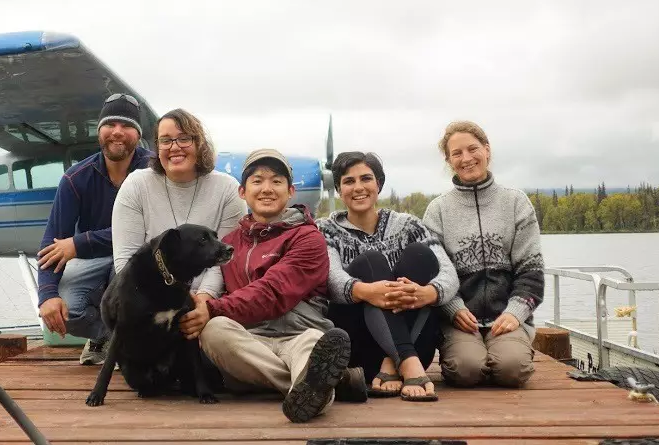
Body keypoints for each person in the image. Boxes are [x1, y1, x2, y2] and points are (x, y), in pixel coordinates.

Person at [182, 149, 362, 423]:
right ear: (242, 192)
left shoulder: (308, 238)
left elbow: (273, 291)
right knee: (214, 330)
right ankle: (321, 384)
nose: (267, 188)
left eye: (276, 181)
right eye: (257, 181)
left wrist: (213, 307)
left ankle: (309, 388)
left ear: (290, 191)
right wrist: (197, 306)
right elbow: (210, 283)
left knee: (314, 343)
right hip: (249, 341)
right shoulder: (229, 243)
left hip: (299, 334)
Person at [317, 151, 460, 402]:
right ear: (339, 190)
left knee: (420, 255)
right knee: (371, 261)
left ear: (379, 184)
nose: (358, 187)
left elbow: (448, 273)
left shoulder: (409, 225)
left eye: (366, 179)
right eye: (349, 181)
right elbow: (331, 278)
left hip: (415, 343)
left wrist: (429, 293)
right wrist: (366, 291)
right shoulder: (325, 229)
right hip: (359, 347)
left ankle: (394, 363)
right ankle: (406, 361)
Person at [423, 120, 545, 388]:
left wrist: (515, 313)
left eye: (473, 149)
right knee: (466, 370)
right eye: (457, 153)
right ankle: (468, 351)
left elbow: (531, 272)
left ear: (487, 150)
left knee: (512, 370)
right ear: (449, 160)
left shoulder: (516, 203)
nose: (466, 158)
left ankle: (509, 348)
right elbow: (434, 275)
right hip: (461, 319)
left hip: (507, 316)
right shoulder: (438, 210)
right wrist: (453, 309)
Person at [36, 94, 154, 365]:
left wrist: (79, 243)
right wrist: (47, 296)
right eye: (110, 124)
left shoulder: (155, 171)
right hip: (96, 260)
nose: (117, 132)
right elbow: (50, 243)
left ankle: (136, 341)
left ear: (138, 133)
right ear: (98, 130)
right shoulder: (75, 178)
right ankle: (108, 337)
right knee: (68, 308)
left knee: (125, 270)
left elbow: (145, 232)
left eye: (126, 126)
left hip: (139, 256)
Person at [111, 108, 246, 298]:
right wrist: (169, 304)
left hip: (209, 300)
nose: (174, 147)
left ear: (200, 144)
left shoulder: (228, 189)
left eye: (184, 139)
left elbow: (225, 259)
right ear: (157, 147)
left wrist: (203, 300)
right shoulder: (136, 185)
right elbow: (127, 261)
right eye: (165, 140)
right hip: (150, 297)